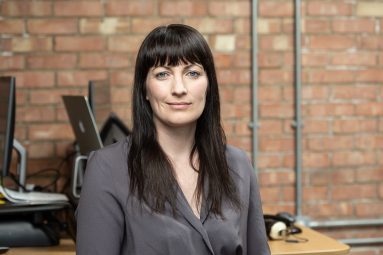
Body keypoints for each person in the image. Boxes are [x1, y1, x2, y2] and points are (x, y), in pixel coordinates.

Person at [76, 24, 270, 255]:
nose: (179, 88)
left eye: (193, 73)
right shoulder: (107, 168)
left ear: (208, 86)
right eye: (163, 74)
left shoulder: (238, 165)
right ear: (145, 90)